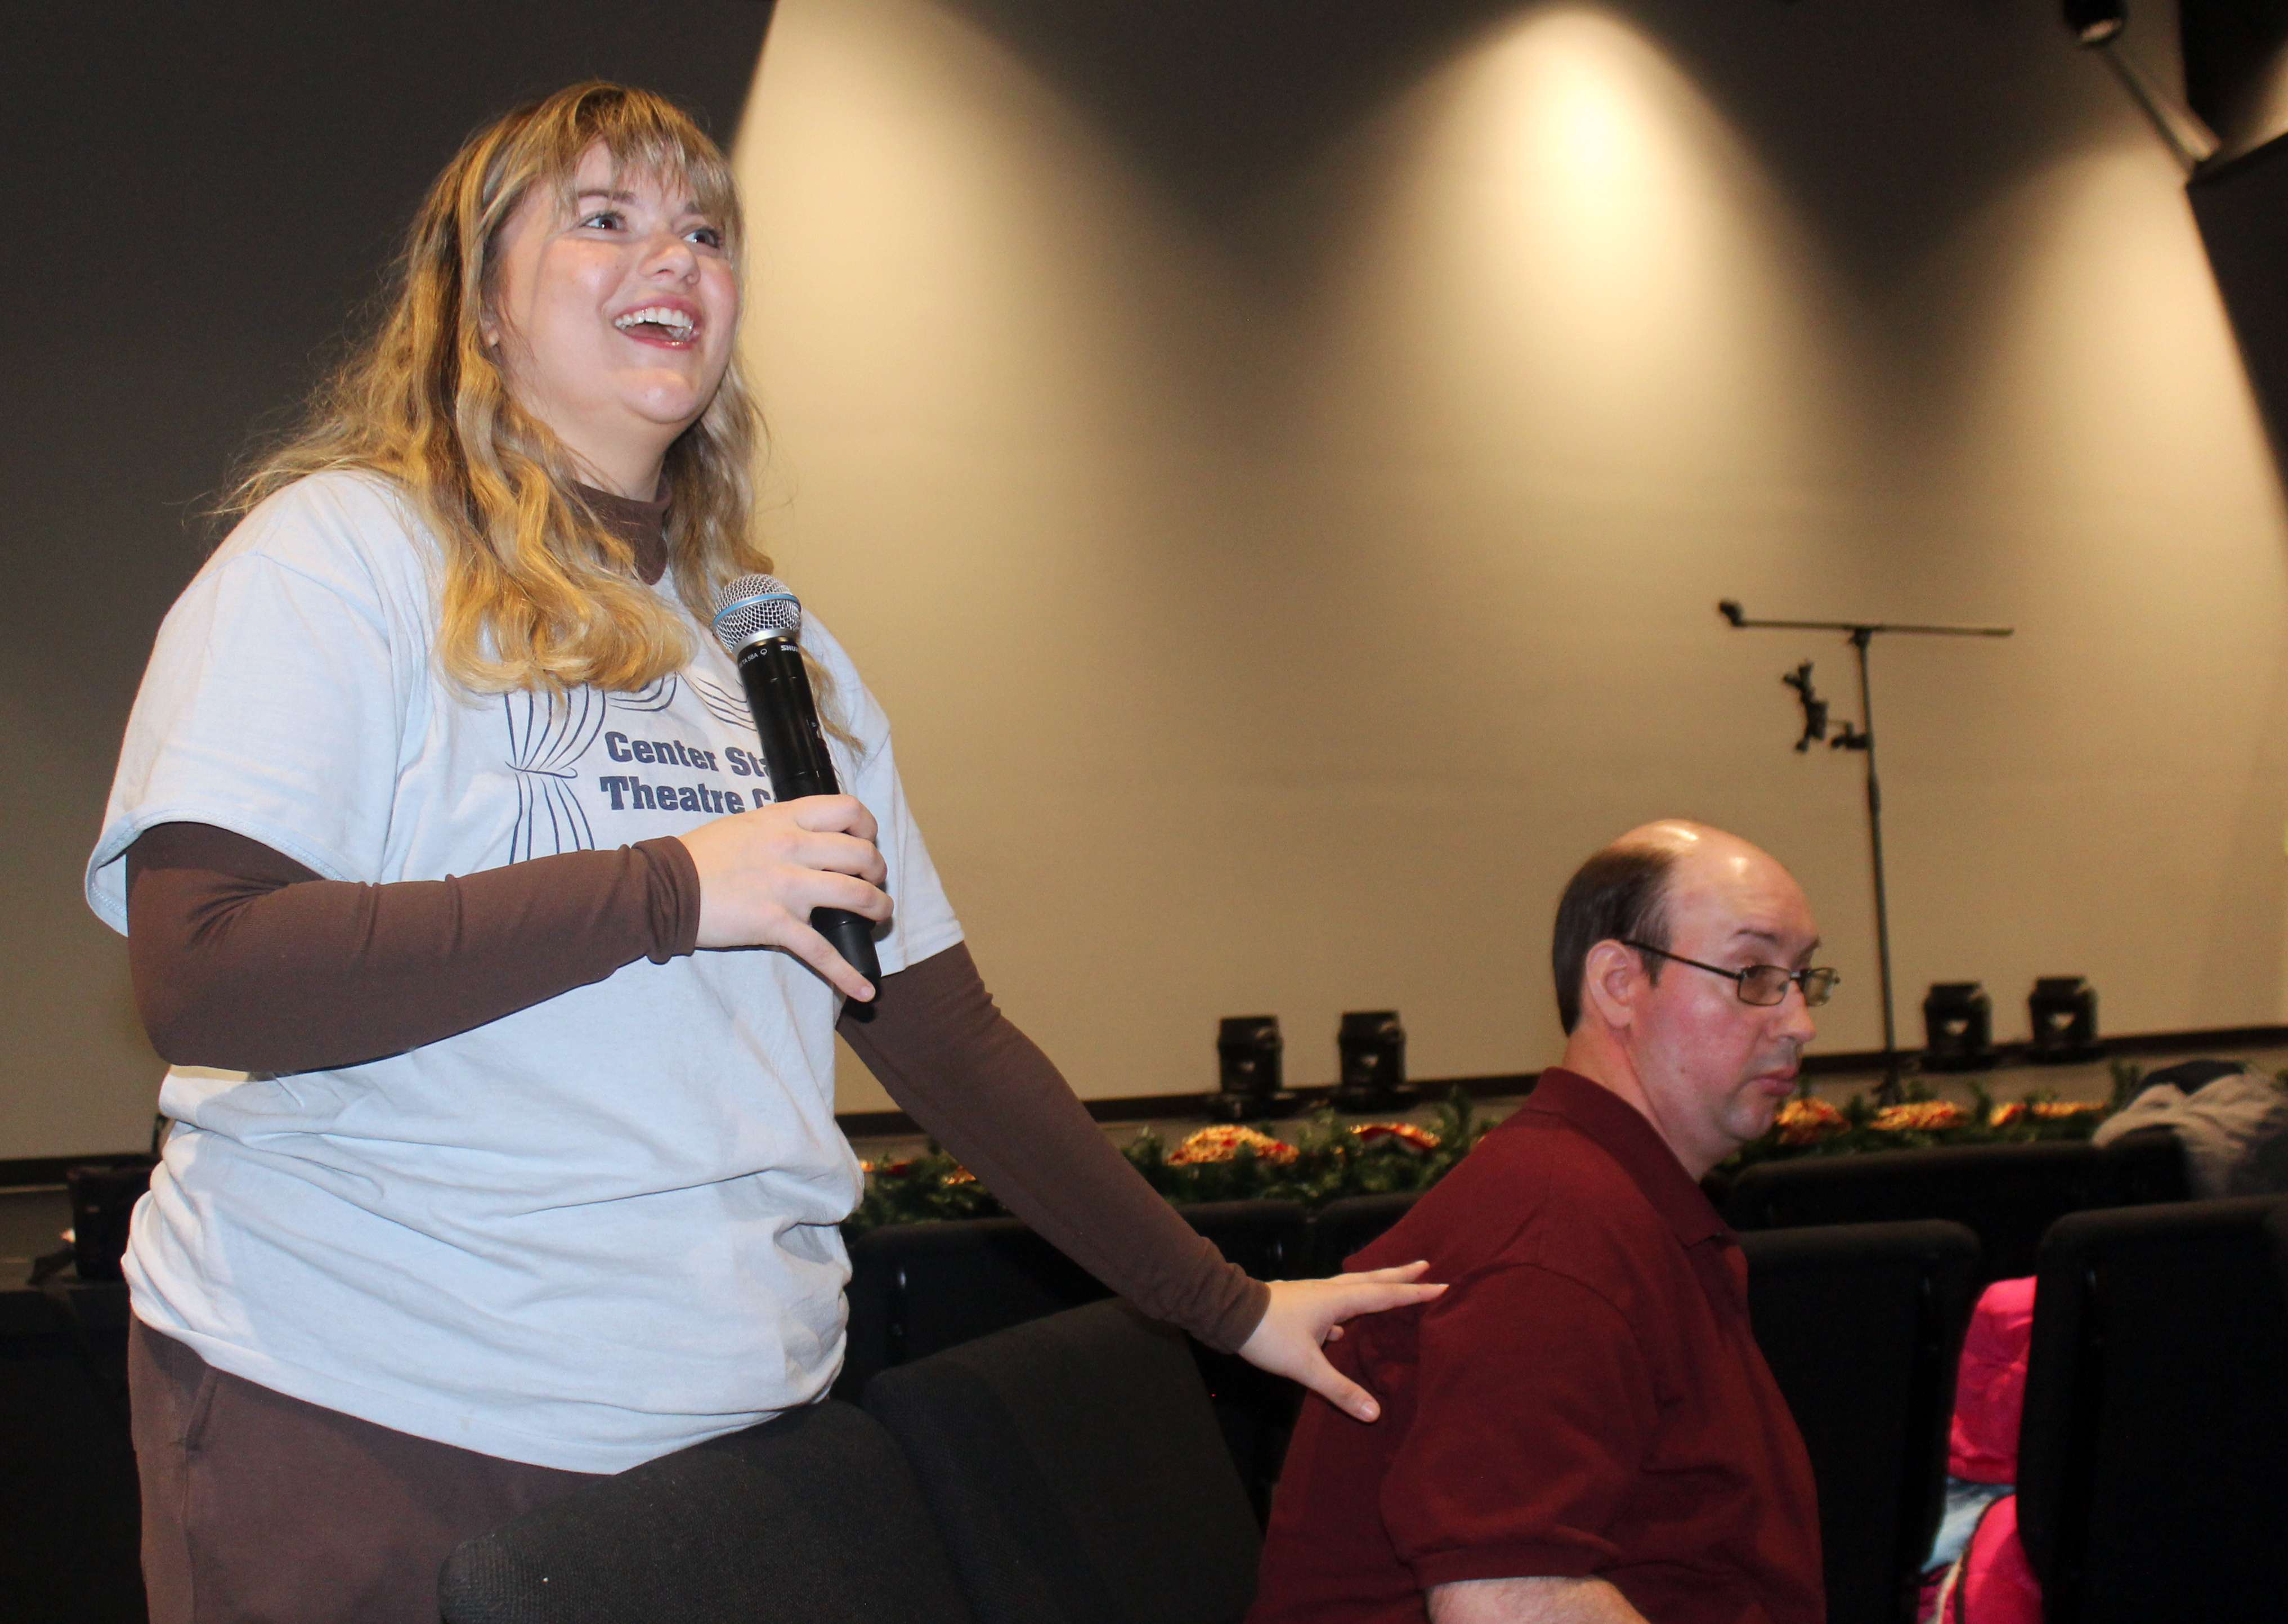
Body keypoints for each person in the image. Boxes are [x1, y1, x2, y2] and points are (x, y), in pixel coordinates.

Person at [86, 83, 1440, 1623]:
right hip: (371, 1407)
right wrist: (673, 888)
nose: (674, 257)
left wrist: (1228, 1303)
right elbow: (209, 973)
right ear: (480, 304)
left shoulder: (777, 657)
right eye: (605, 218)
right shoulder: (342, 553)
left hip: (717, 1441)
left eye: (706, 232)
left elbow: (947, 1040)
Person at [1247, 820, 1832, 1624]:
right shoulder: (1556, 1233)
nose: (1799, 1022)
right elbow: (1504, 1597)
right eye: (1755, 974)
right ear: (1619, 983)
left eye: (1803, 978)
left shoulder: (1605, 1195)